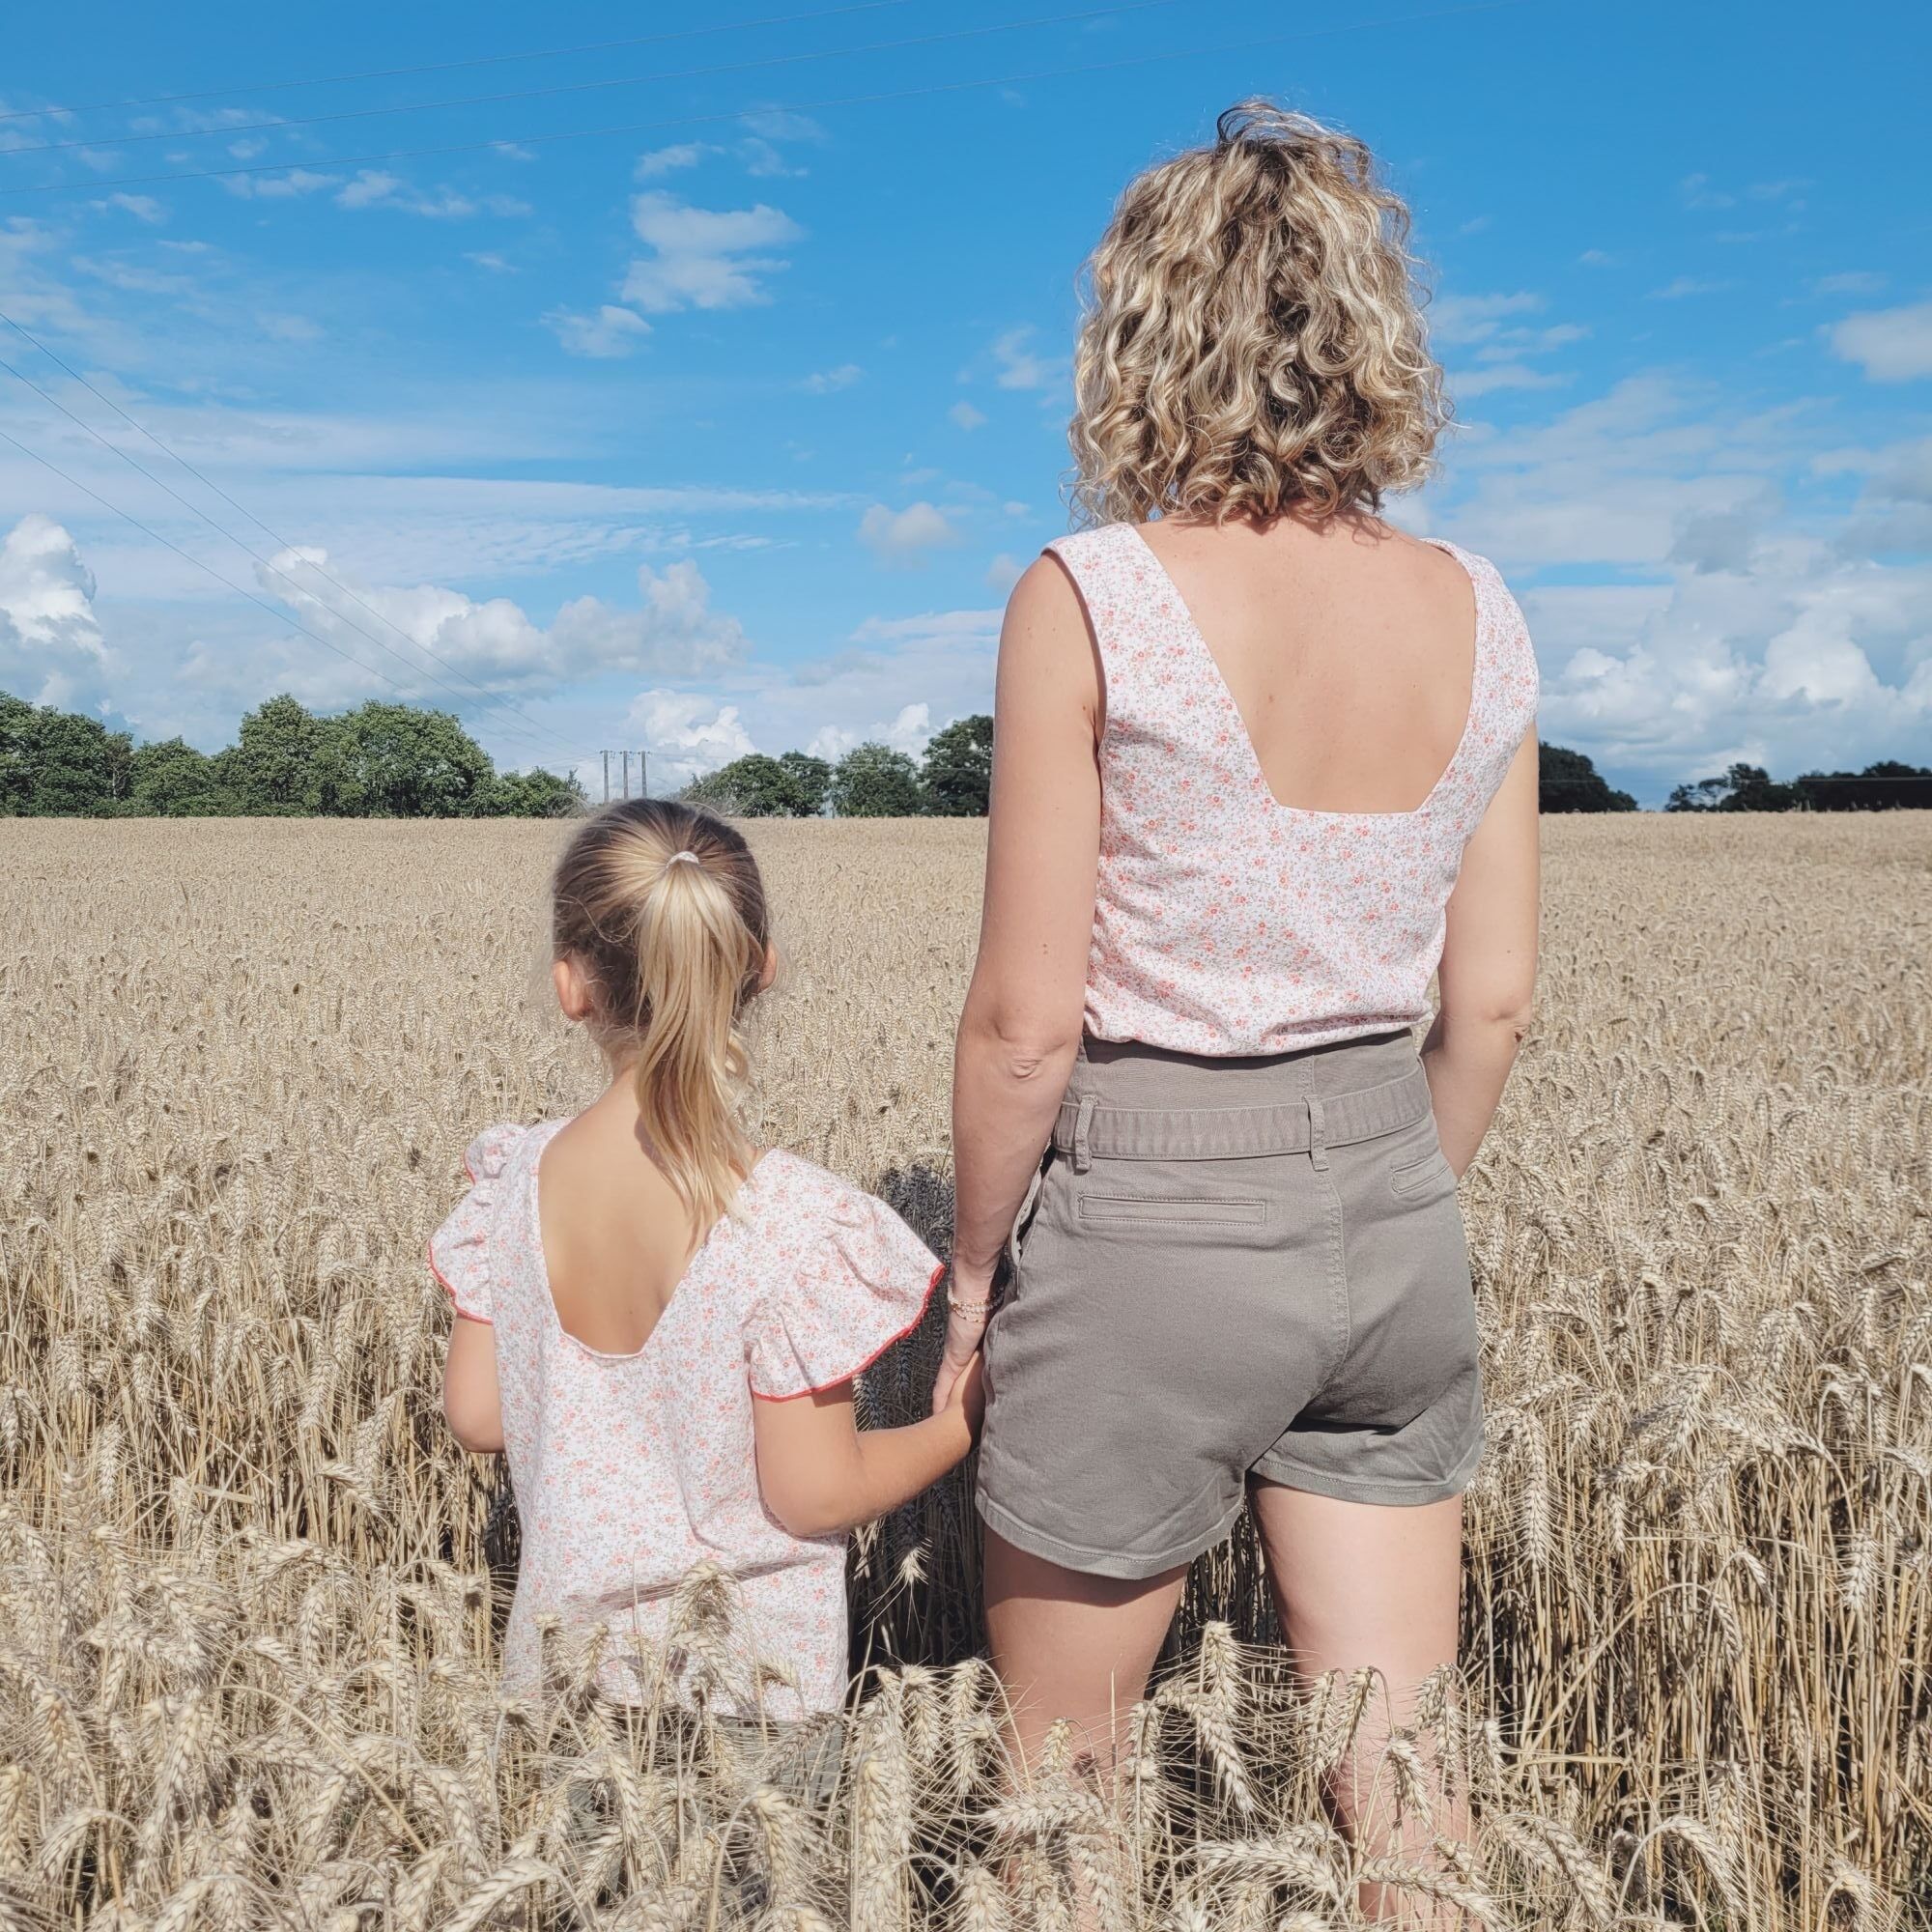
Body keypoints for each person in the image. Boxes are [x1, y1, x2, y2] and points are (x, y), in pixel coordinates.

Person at [942, 100, 1540, 1904]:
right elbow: (1493, 1003)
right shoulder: (1485, 607)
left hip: (1152, 1219)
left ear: (1145, 331)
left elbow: (1025, 1026)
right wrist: (1367, 1193)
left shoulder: (1094, 596)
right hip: (1396, 1214)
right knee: (1411, 1796)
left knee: (1069, 1802)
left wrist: (975, 1284)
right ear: (1371, 331)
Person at [434, 797, 980, 1727]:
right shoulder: (790, 1222)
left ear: (572, 985)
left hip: (565, 1682)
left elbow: (478, 1413)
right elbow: (815, 1496)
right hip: (749, 1698)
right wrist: (960, 1421)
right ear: (759, 971)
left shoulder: (509, 1184)